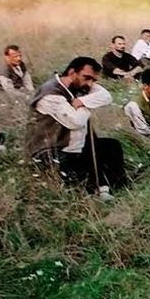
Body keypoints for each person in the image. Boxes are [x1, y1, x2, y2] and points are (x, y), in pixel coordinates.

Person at [26, 57, 126, 201]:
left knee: (111, 146)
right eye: (87, 78)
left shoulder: (78, 86)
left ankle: (108, 187)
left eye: (93, 80)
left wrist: (81, 101)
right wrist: (85, 106)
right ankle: (93, 190)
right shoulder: (50, 94)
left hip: (70, 146)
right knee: (76, 173)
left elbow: (106, 96)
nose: (90, 83)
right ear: (72, 72)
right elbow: (76, 122)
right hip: (49, 150)